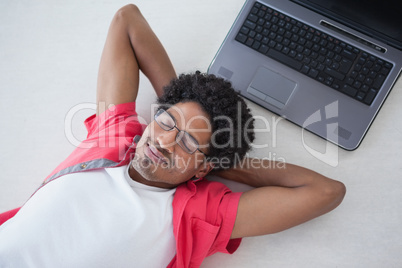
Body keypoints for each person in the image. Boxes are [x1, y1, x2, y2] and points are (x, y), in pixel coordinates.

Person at [0, 4, 346, 267]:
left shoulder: (196, 214)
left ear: (201, 170)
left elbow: (326, 192)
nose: (165, 141)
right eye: (166, 123)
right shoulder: (118, 136)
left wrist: (218, 162)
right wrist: (179, 104)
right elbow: (127, 20)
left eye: (188, 143)